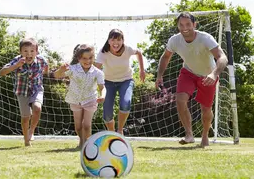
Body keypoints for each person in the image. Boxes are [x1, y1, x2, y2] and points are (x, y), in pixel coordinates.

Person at [155, 12, 228, 147]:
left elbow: (222, 57)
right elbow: (165, 57)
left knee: (206, 110)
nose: (184, 27)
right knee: (180, 99)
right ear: (178, 26)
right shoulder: (174, 40)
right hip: (188, 72)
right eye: (181, 25)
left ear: (194, 24)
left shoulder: (206, 38)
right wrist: (159, 75)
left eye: (188, 24)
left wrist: (214, 74)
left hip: (208, 76)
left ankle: (205, 135)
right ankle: (189, 135)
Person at [95, 29, 146, 135]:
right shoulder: (103, 52)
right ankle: (112, 132)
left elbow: (139, 53)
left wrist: (142, 70)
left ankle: (120, 129)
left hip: (126, 80)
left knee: (126, 103)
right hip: (108, 82)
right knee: (107, 113)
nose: (116, 43)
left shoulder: (127, 49)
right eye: (113, 40)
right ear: (108, 41)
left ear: (123, 41)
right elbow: (96, 68)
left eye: (119, 40)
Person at [54, 44, 106, 148]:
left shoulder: (98, 72)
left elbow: (102, 87)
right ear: (79, 58)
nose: (88, 61)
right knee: (78, 127)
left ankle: (86, 144)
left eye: (90, 58)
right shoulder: (73, 69)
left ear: (94, 57)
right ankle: (82, 141)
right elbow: (56, 75)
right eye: (84, 58)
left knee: (86, 125)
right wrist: (61, 70)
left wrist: (103, 95)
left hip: (90, 99)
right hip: (75, 100)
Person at [0, 37, 48, 147]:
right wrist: (16, 66)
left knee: (37, 108)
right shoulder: (17, 60)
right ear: (20, 52)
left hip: (37, 89)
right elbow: (2, 72)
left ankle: (32, 131)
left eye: (32, 51)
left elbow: (46, 68)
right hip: (22, 92)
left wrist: (45, 74)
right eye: (25, 51)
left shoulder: (41, 60)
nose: (29, 54)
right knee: (26, 117)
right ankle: (26, 141)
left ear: (36, 51)